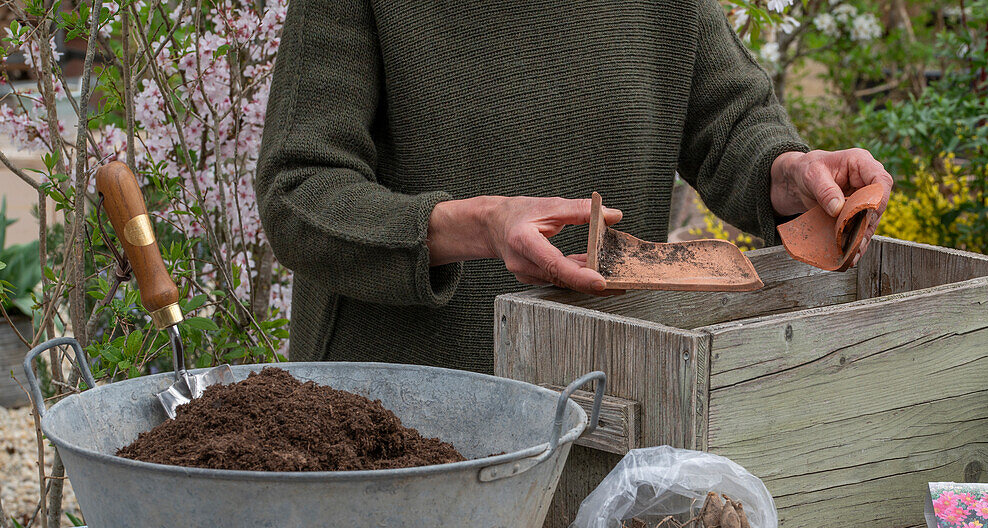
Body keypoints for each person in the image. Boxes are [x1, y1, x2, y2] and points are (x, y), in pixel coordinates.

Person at [257, 0, 893, 374]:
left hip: (598, 395)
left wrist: (786, 171)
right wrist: (477, 227)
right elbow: (300, 192)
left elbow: (728, 123)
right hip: (395, 419)